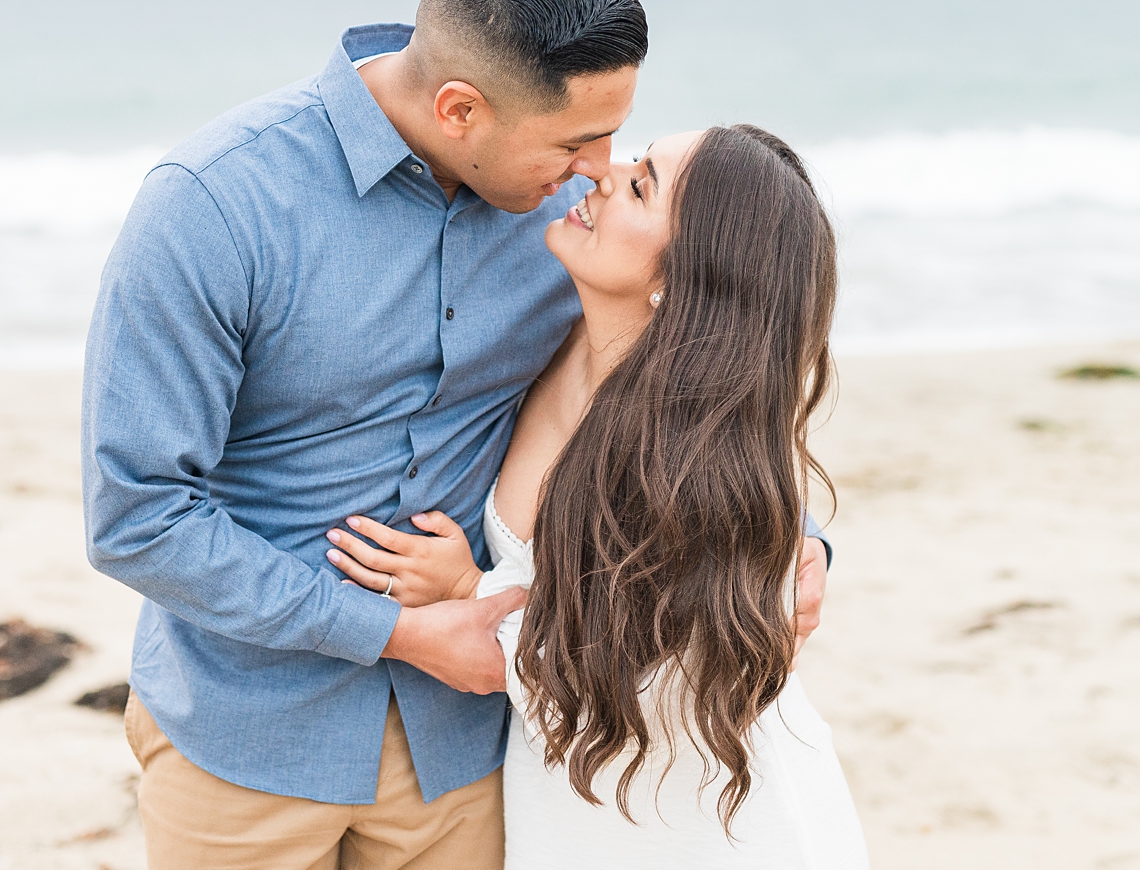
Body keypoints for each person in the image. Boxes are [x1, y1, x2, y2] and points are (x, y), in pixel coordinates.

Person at [83, 0, 830, 869]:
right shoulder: (214, 208)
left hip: (475, 750)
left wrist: (796, 541)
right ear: (460, 109)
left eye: (611, 136)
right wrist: (397, 632)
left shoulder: (574, 217)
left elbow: (695, 359)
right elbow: (138, 515)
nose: (599, 167)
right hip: (249, 744)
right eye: (574, 142)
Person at [327, 125, 868, 867]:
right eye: (636, 157)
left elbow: (648, 685)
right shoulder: (559, 327)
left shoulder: (687, 465)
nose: (603, 175)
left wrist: (467, 587)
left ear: (681, 279)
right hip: (584, 795)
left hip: (693, 818)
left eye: (641, 183)